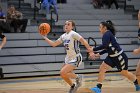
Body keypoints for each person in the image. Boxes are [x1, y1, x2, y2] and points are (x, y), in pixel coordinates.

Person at [40, 20, 95, 93]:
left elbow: (84, 41)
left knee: (62, 72)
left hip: (76, 57)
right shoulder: (63, 36)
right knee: (63, 75)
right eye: (65, 24)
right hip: (68, 58)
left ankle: (79, 77)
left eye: (68, 24)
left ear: (72, 27)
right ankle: (73, 86)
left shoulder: (73, 34)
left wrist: (91, 51)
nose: (66, 25)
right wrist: (45, 37)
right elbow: (54, 44)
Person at [88, 20, 140, 93]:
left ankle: (137, 83)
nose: (99, 29)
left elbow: (105, 46)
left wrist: (93, 49)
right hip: (111, 57)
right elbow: (107, 48)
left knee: (124, 73)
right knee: (102, 68)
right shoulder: (108, 34)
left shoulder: (107, 34)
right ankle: (98, 87)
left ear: (105, 28)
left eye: (100, 27)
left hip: (119, 57)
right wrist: (98, 54)